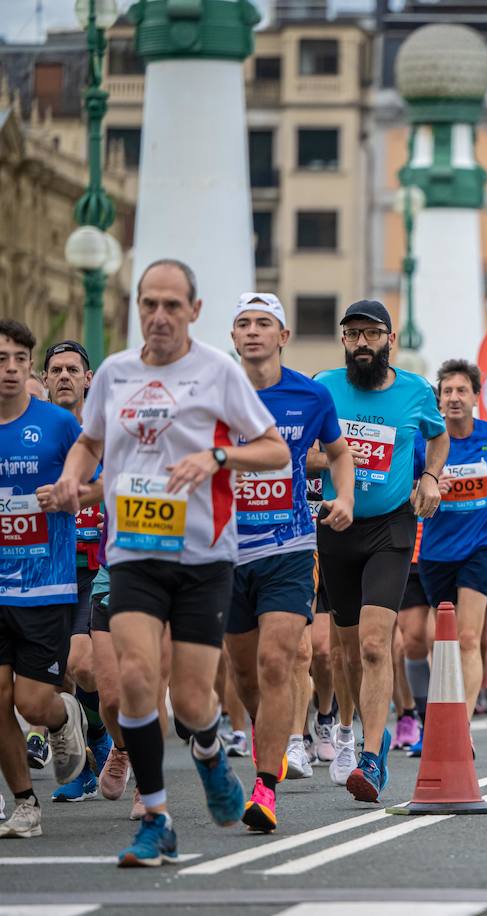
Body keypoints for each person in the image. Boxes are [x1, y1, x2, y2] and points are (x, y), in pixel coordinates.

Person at [51, 260, 291, 866]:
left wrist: (217, 456)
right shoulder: (114, 373)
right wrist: (72, 479)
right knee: (133, 676)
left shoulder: (217, 373)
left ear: (194, 310)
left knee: (188, 700)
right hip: (132, 551)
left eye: (171, 306)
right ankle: (156, 817)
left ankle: (209, 750)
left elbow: (272, 449)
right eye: (148, 304)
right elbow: (89, 441)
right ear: (137, 306)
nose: (159, 316)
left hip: (204, 557)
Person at [224, 293, 355, 832]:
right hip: (225, 550)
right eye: (243, 324)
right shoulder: (211, 391)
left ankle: (264, 787)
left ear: (283, 336)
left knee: (279, 663)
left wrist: (343, 497)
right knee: (243, 673)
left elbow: (340, 451)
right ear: (233, 338)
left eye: (264, 324)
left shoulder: (310, 393)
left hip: (290, 546)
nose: (253, 332)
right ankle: (269, 738)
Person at [312, 299, 445, 803]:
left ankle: (371, 755)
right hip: (337, 522)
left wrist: (430, 476)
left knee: (373, 643)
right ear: (343, 341)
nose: (361, 343)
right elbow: (299, 449)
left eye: (371, 334)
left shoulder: (415, 391)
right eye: (353, 335)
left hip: (392, 525)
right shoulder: (323, 386)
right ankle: (351, 729)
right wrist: (333, 462)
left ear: (390, 339)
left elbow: (438, 438)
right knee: (345, 649)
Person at [0, 320, 90, 839]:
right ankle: (25, 804)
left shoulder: (58, 425)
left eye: (18, 359)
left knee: (30, 701)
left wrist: (67, 493)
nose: (11, 368)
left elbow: (100, 484)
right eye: (1, 358)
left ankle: (61, 717)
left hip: (45, 584)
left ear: (29, 366)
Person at [415, 359, 487, 729]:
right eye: (447, 391)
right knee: (437, 640)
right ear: (439, 399)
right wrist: (427, 486)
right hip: (435, 549)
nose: (454, 398)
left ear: (476, 396)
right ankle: (442, 706)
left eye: (462, 390)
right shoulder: (425, 442)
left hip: (482, 544)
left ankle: (460, 724)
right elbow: (407, 494)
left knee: (468, 636)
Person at [38, 340, 116, 805]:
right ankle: (86, 765)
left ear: (89, 379)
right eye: (55, 370)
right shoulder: (31, 431)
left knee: (82, 664)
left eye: (73, 369)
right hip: (43, 567)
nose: (64, 376)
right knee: (52, 681)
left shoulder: (105, 432)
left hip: (96, 565)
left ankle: (105, 741)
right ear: (44, 380)